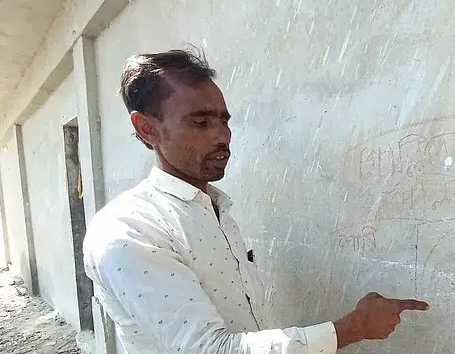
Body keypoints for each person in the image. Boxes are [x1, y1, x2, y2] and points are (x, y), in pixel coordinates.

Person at [83, 48, 429, 354]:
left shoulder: (214, 209)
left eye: (223, 120)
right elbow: (209, 349)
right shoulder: (129, 230)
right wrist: (351, 329)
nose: (222, 137)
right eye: (200, 122)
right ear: (147, 128)